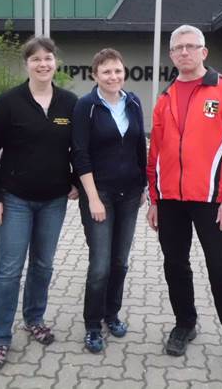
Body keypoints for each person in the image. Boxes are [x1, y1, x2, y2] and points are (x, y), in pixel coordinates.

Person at [146, 25, 222, 387]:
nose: (183, 53)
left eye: (190, 47)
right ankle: (185, 324)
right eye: (177, 48)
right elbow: (156, 154)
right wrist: (154, 198)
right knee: (175, 266)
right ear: (171, 54)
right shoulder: (164, 97)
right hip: (171, 202)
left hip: (213, 203)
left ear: (204, 52)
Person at [0, 36, 78, 371]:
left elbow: (79, 149)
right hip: (14, 199)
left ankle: (34, 318)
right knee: (9, 270)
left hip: (54, 200)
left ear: (55, 63)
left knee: (43, 265)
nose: (43, 64)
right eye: (35, 59)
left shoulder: (69, 103)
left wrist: (77, 182)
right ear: (27, 65)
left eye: (48, 58)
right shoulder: (9, 102)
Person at [72, 48, 147, 353]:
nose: (113, 76)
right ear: (95, 75)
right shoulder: (86, 106)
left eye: (117, 70)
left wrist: (143, 185)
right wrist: (92, 198)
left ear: (123, 72)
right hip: (99, 194)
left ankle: (111, 314)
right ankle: (92, 325)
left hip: (129, 194)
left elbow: (140, 145)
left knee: (120, 261)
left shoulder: (134, 102)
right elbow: (80, 154)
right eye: (106, 72)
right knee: (101, 264)